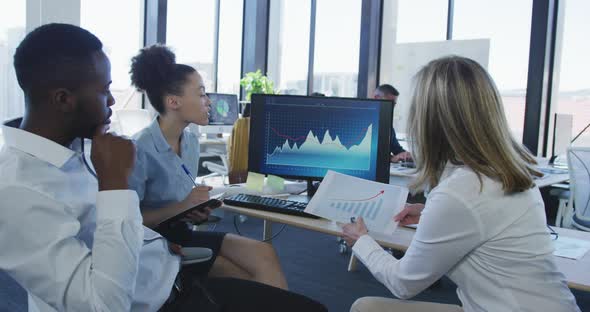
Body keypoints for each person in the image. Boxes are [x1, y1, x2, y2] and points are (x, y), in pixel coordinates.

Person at [0, 23, 327, 312]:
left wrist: (150, 242)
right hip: (161, 300)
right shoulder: (18, 191)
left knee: (272, 283)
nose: (112, 102)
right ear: (63, 99)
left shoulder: (80, 148)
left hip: (164, 270)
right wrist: (115, 185)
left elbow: (105, 226)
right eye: (103, 91)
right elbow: (104, 304)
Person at [343, 56, 580, 312]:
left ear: (430, 120)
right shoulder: (506, 170)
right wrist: (428, 213)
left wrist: (362, 241)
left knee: (364, 308)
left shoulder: (461, 191)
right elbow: (485, 218)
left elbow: (403, 283)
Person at [128, 44, 288, 289]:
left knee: (265, 252)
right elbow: (128, 220)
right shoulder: (138, 150)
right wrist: (183, 206)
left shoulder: (191, 140)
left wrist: (195, 211)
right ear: (173, 101)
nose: (208, 102)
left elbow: (181, 204)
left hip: (183, 231)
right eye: (201, 94)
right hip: (154, 244)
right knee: (247, 280)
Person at [373, 84, 412, 163]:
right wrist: (391, 158)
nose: (392, 107)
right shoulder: (362, 120)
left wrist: (405, 155)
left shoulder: (386, 124)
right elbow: (365, 152)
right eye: (389, 103)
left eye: (394, 104)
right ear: (377, 98)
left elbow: (396, 149)